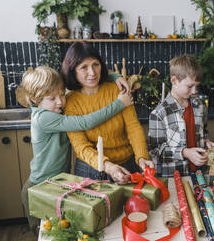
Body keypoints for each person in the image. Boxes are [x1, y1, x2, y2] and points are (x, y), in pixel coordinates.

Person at [20, 66, 132, 234]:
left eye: (62, 94)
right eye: (52, 98)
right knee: (48, 235)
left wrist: (114, 76)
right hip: (39, 188)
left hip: (57, 184)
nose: (60, 101)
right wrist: (119, 104)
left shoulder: (54, 109)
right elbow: (85, 122)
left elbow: (82, 79)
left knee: (63, 231)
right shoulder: (43, 117)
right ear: (35, 99)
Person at [62, 41, 154, 185]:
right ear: (73, 70)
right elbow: (81, 147)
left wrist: (142, 157)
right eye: (84, 67)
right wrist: (108, 166)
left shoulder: (117, 89)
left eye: (95, 64)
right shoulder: (70, 102)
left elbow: (133, 127)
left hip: (128, 164)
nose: (92, 72)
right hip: (91, 169)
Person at [148, 54, 214, 177]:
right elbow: (156, 151)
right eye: (190, 86)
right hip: (174, 176)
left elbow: (204, 131)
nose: (194, 91)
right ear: (174, 80)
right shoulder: (159, 113)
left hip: (199, 172)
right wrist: (185, 153)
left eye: (196, 86)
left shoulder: (200, 105)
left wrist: (207, 141)